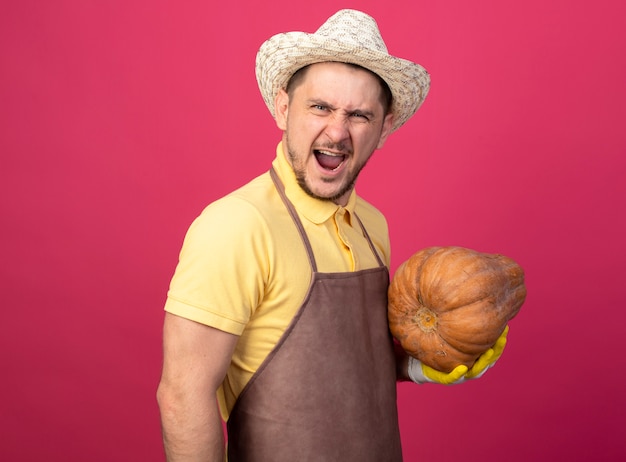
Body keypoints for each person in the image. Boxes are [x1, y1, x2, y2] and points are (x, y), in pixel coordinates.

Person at [157, 9, 508, 462]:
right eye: (320, 106)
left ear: (384, 129)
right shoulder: (237, 226)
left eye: (359, 115)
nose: (337, 131)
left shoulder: (372, 225)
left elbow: (349, 363)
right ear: (284, 108)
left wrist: (423, 366)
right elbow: (183, 396)